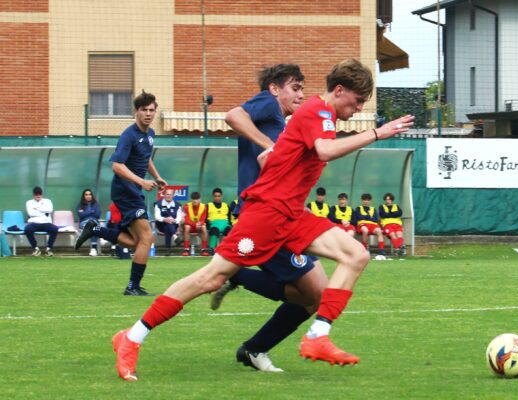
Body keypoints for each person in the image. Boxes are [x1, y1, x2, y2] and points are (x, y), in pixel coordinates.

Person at [111, 58, 414, 381]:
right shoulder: (317, 112)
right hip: (267, 214)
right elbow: (324, 150)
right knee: (209, 278)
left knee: (356, 254)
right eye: (357, 101)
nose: (357, 109)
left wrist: (279, 158)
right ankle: (131, 337)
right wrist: (377, 133)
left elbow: (268, 157)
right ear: (339, 91)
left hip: (292, 213)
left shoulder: (314, 114)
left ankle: (317, 336)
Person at [212, 63, 327, 373]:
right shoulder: (267, 104)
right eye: (295, 88)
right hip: (263, 215)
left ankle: (240, 284)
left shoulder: (280, 120)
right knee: (314, 293)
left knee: (312, 294)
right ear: (275, 89)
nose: (301, 94)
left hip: (280, 214)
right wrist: (270, 146)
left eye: (303, 88)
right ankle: (254, 345)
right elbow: (233, 115)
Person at [76, 90, 167, 296]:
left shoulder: (149, 135)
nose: (148, 114)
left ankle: (96, 230)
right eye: (144, 110)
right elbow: (117, 166)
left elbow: (146, 158)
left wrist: (156, 176)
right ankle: (132, 287)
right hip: (125, 191)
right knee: (147, 238)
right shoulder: (129, 135)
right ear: (135, 111)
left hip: (133, 190)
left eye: (152, 110)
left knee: (138, 241)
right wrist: (141, 181)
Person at [24, 186, 58, 256]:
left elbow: (50, 210)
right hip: (34, 222)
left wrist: (36, 209)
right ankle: (36, 249)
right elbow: (31, 213)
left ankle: (48, 249)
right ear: (33, 195)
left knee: (54, 229)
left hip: (46, 222)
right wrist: (43, 211)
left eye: (39, 194)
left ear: (42, 194)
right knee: (27, 229)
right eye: (36, 194)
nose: (38, 195)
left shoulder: (48, 201)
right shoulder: (29, 202)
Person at [153, 188, 183, 256]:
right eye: (167, 194)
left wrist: (174, 220)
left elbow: (179, 217)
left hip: (173, 224)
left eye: (170, 194)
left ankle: (168, 249)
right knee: (167, 224)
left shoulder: (178, 205)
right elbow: (157, 216)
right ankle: (175, 238)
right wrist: (164, 219)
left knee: (168, 226)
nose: (168, 196)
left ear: (173, 196)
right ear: (164, 195)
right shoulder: (158, 204)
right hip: (161, 225)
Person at [181, 191, 208, 257]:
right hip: (190, 227)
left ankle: (204, 249)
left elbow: (203, 219)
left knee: (204, 227)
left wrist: (200, 224)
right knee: (187, 227)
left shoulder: (204, 207)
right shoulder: (186, 206)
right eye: (194, 199)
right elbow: (186, 220)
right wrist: (194, 224)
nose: (195, 201)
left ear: (199, 199)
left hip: (199, 227)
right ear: (191, 200)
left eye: (197, 199)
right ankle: (186, 249)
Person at [76, 188, 101, 256]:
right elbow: (81, 215)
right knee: (92, 227)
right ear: (84, 196)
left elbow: (98, 214)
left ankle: (93, 249)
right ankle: (94, 248)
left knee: (93, 227)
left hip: (95, 222)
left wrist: (86, 212)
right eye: (86, 195)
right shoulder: (80, 205)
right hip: (83, 223)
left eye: (90, 194)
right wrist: (91, 211)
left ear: (92, 196)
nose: (88, 196)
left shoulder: (96, 204)